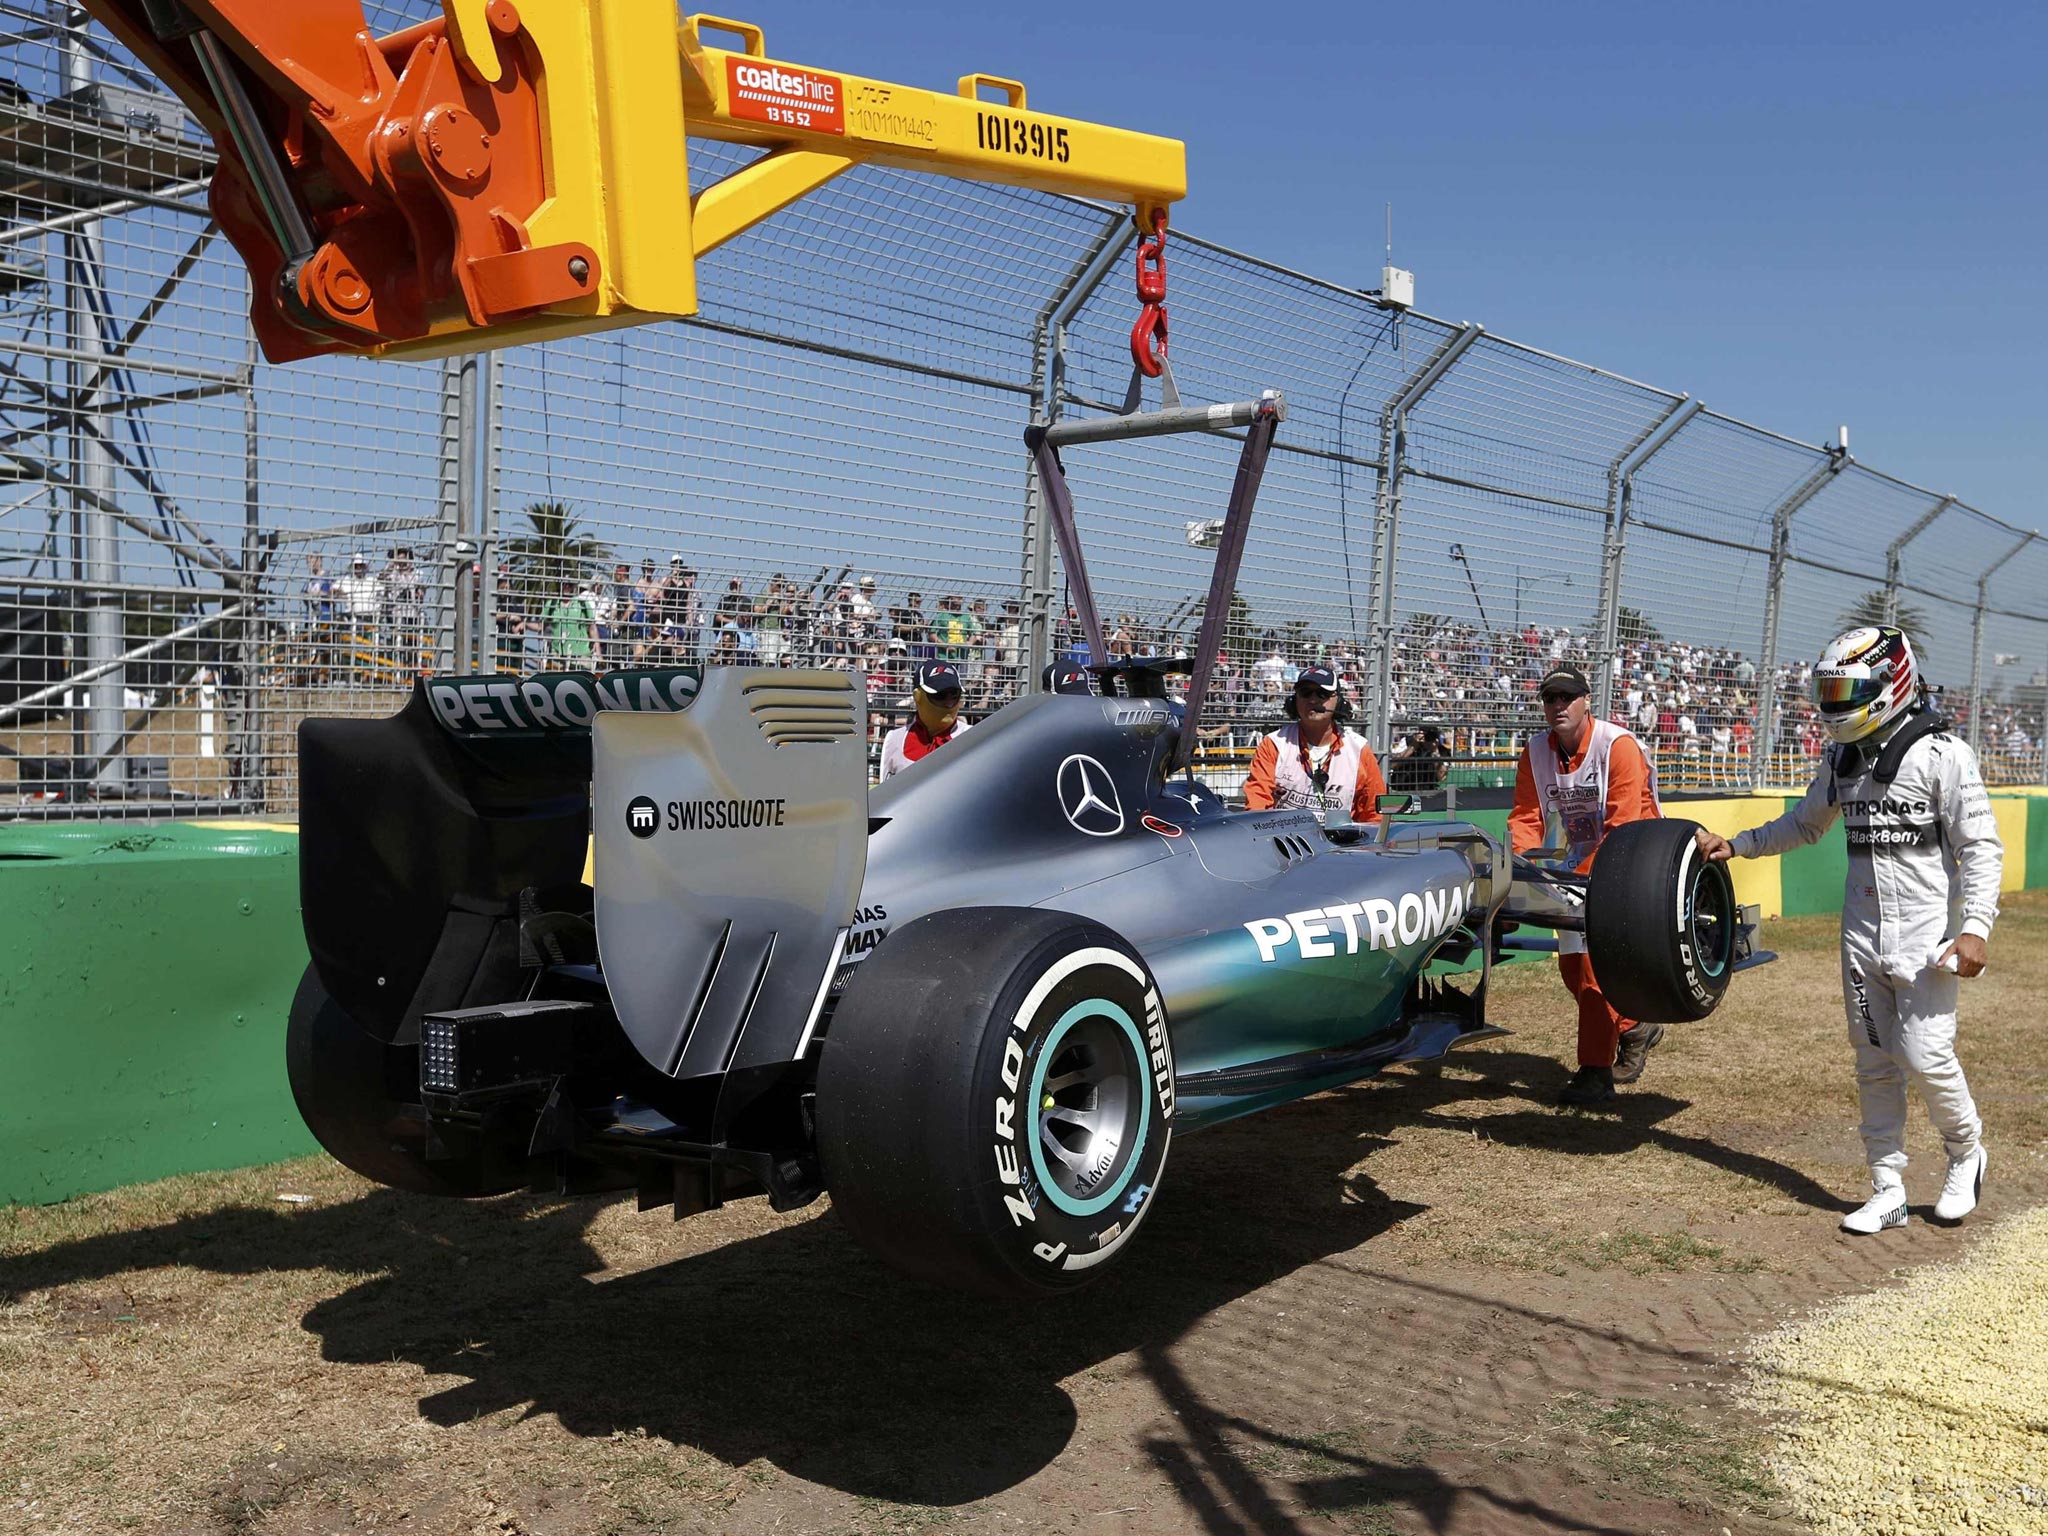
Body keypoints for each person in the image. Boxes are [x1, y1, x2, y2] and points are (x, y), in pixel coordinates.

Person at [1694, 627, 2002, 1234]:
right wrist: (1738, 845)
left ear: (1892, 684)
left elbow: (1982, 848)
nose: (1835, 703)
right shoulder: (1843, 758)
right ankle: (1887, 1187)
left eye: (1847, 690)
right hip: (1860, 933)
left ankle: (1967, 1153)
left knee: (1925, 1053)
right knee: (1873, 1060)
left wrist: (1975, 928)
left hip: (1925, 938)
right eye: (1828, 690)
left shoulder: (1944, 755)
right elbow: (1806, 824)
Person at [1507, 661, 1663, 1106]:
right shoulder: (1535, 750)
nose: (1557, 705)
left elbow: (1623, 827)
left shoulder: (1618, 746)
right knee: (1571, 968)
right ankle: (1634, 1025)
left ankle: (1595, 1072)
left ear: (1586, 701)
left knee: (1594, 967)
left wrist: (1572, 879)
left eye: (1566, 697)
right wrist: (1520, 868)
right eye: (1549, 698)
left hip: (1637, 859)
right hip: (1579, 863)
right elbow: (1526, 817)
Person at [1242, 667, 1386, 824]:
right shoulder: (1273, 744)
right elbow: (1257, 810)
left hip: (1341, 846)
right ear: (1294, 700)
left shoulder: (1359, 750)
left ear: (1338, 701)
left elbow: (1374, 816)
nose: (1313, 700)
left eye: (1322, 693)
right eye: (1305, 693)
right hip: (1285, 844)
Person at [879, 660, 973, 779]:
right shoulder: (895, 740)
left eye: (954, 695)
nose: (949, 704)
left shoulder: (973, 738)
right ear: (918, 696)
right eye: (940, 695)